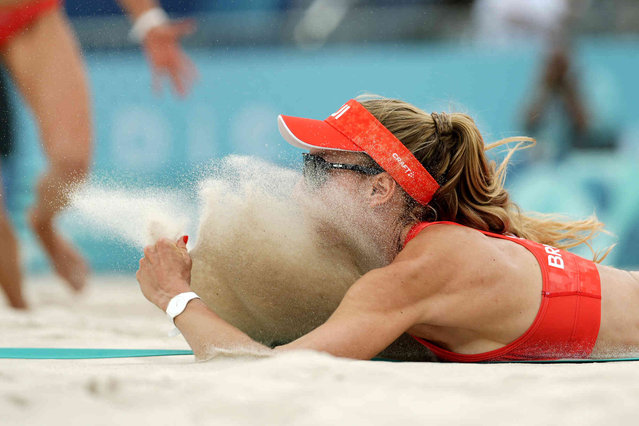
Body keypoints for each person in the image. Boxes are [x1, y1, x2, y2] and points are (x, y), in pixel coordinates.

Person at [136, 97, 639, 362]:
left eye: (318, 168)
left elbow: (266, 369)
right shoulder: (431, 254)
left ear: (379, 189)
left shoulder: (418, 271)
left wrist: (176, 296)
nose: (297, 183)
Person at [0, 0, 197, 308]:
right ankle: (18, 311)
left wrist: (147, 19)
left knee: (71, 164)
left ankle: (43, 223)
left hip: (27, 12)